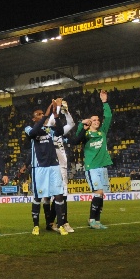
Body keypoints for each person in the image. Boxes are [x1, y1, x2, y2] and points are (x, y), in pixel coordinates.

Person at [24, 100, 68, 236]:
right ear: (34, 118)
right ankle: (36, 226)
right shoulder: (29, 129)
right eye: (39, 114)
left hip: (53, 166)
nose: (42, 115)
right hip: (39, 168)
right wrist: (45, 116)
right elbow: (33, 133)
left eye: (43, 114)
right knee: (38, 197)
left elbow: (60, 131)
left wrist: (55, 116)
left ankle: (60, 225)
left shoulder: (50, 130)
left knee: (59, 195)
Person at [72, 89, 113, 229]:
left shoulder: (103, 132)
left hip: (102, 167)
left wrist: (104, 102)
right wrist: (81, 124)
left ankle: (97, 221)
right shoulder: (86, 134)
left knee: (101, 195)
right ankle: (91, 220)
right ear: (90, 122)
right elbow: (77, 136)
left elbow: (108, 116)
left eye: (98, 120)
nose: (96, 121)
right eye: (93, 119)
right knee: (98, 193)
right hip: (92, 167)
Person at [49, 97, 76, 233]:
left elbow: (71, 124)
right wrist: (57, 108)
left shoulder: (59, 133)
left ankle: (55, 222)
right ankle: (63, 222)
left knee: (61, 195)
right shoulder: (48, 131)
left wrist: (66, 111)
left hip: (62, 167)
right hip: (53, 167)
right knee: (58, 196)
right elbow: (52, 120)